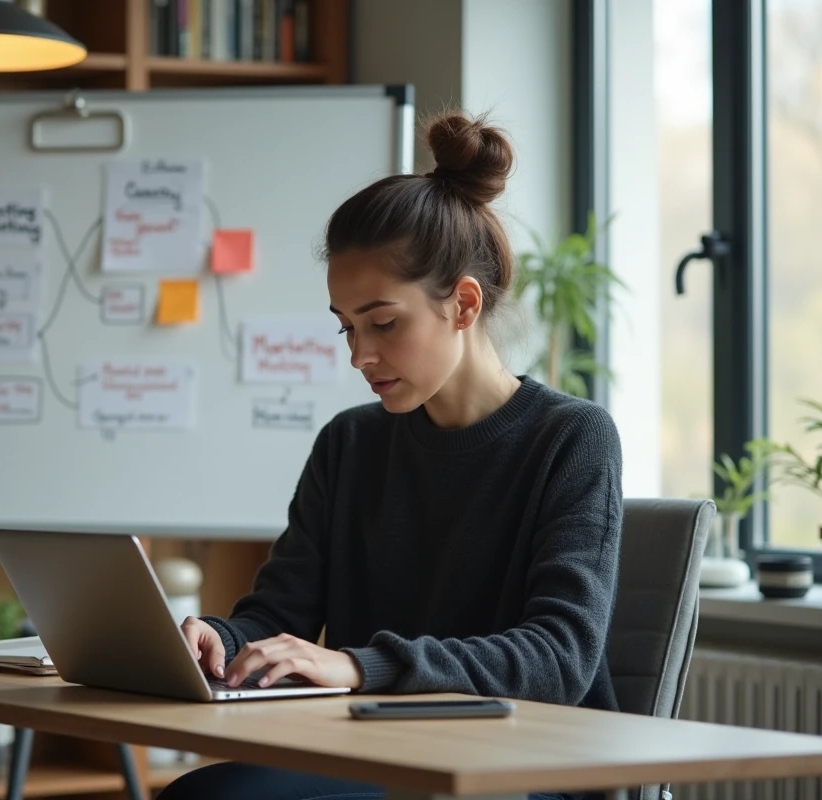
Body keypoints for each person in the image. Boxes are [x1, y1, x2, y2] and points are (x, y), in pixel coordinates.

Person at [157, 111, 624, 800]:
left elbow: (559, 657)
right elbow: (279, 616)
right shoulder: (349, 443)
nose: (359, 355)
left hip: (522, 771)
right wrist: (220, 640)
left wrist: (358, 666)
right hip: (375, 755)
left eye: (382, 323)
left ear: (463, 305)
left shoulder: (572, 438)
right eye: (346, 328)